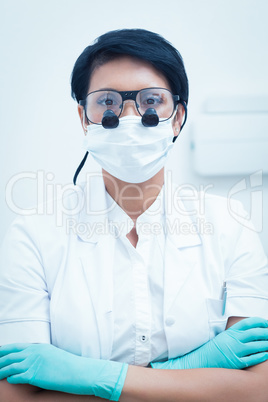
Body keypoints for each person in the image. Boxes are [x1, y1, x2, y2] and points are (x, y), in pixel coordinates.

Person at [0, 28, 268, 402]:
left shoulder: (231, 223)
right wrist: (191, 373)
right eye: (106, 102)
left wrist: (87, 376)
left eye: (151, 101)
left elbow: (257, 389)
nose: (127, 117)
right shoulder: (33, 234)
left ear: (177, 118)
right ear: (84, 118)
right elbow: (14, 394)